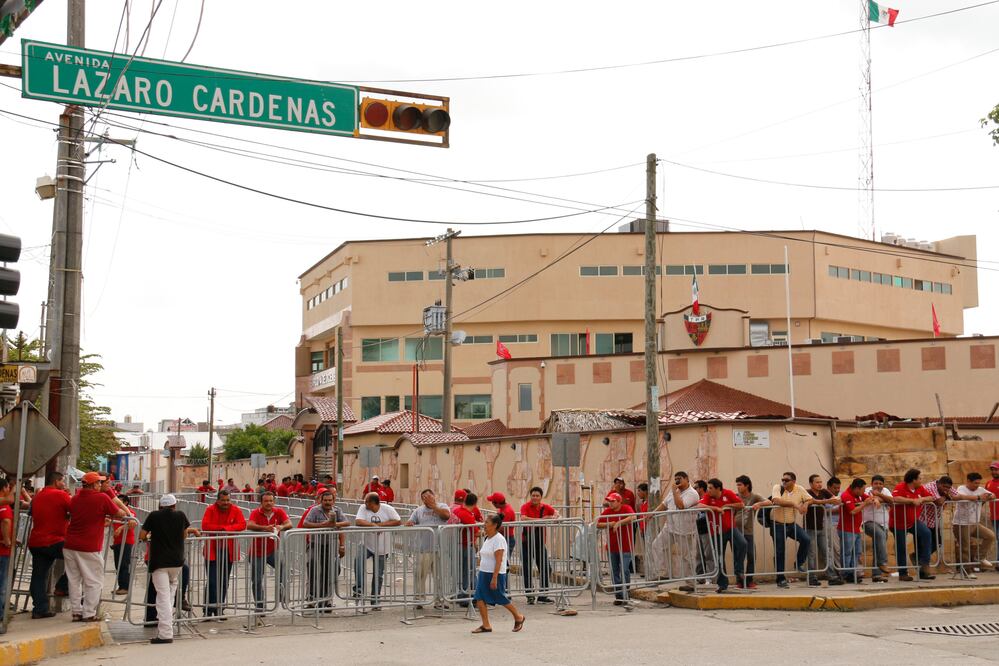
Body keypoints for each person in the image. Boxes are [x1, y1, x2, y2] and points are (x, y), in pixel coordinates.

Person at [65, 471, 129, 621]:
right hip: (89, 545)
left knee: (74, 580)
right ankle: (89, 613)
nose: (101, 485)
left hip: (70, 544)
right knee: (94, 581)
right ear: (94, 484)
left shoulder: (74, 499)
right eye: (99, 483)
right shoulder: (101, 497)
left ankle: (76, 612)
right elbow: (119, 513)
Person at [139, 494, 199, 644]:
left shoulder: (154, 516)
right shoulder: (180, 515)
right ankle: (165, 622)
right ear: (174, 505)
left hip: (159, 562)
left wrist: (150, 539)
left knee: (163, 597)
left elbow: (142, 535)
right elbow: (184, 535)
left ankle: (165, 633)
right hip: (177, 562)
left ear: (161, 505)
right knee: (170, 593)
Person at [756, 471, 813, 588]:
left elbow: (810, 499)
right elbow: (776, 501)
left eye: (786, 480)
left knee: (806, 539)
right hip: (777, 525)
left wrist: (806, 505)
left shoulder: (799, 488)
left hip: (791, 524)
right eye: (783, 480)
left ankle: (798, 562)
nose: (784, 482)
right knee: (780, 551)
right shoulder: (777, 488)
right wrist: (795, 505)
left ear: (793, 481)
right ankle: (780, 578)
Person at [27, 471, 71, 619]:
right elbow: (74, 511)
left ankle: (40, 608)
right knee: (78, 560)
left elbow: (31, 513)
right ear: (57, 481)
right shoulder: (61, 495)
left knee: (38, 576)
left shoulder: (37, 496)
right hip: (55, 540)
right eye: (63, 481)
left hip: (36, 541)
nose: (64, 484)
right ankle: (62, 586)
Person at [471, 514, 525, 634]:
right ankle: (486, 625)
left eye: (487, 522)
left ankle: (518, 616)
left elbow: (499, 560)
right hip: (484, 572)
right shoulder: (487, 538)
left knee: (500, 597)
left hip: (495, 574)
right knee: (479, 598)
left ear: (495, 525)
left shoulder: (499, 539)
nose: (484, 525)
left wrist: (494, 578)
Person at [651, 471, 700, 591]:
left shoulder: (692, 494)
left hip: (685, 530)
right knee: (657, 545)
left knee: (686, 557)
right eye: (676, 479)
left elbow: (681, 506)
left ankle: (690, 584)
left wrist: (674, 492)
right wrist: (652, 514)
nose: (677, 481)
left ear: (687, 479)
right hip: (670, 527)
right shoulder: (674, 492)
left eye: (680, 479)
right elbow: (664, 504)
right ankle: (663, 573)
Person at [201, 489, 246, 617]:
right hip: (212, 550)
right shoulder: (210, 509)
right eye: (223, 500)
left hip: (228, 550)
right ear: (217, 500)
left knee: (224, 581)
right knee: (212, 581)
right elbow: (205, 525)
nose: (226, 502)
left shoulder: (236, 509)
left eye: (228, 500)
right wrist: (222, 529)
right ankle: (208, 609)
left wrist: (226, 529)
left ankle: (220, 607)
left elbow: (242, 524)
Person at [246, 491, 292, 619]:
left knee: (283, 569)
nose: (269, 503)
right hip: (257, 552)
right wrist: (264, 528)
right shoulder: (256, 512)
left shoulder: (279, 512)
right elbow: (249, 524)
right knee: (257, 580)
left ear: (274, 501)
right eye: (266, 501)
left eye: (271, 501)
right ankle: (260, 606)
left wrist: (281, 527)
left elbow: (289, 524)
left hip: (273, 550)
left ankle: (282, 594)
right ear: (261, 502)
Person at [302, 488, 349, 611]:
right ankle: (311, 600)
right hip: (315, 545)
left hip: (331, 545)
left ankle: (327, 600)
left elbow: (346, 523)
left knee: (329, 573)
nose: (328, 502)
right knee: (313, 571)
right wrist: (321, 525)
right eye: (325, 500)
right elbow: (306, 524)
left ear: (333, 501)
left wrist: (334, 525)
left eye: (330, 500)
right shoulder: (314, 510)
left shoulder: (337, 511)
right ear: (321, 501)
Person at [353, 492, 402, 608]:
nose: (364, 503)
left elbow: (398, 521)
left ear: (373, 503)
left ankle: (375, 599)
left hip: (382, 547)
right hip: (366, 544)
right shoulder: (363, 508)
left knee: (378, 574)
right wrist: (373, 525)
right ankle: (358, 589)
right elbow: (358, 521)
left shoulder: (387, 509)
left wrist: (381, 525)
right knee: (358, 561)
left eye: (367, 502)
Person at [698, 479, 745, 593]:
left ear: (718, 488)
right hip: (717, 531)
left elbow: (741, 504)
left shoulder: (727, 493)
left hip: (731, 528)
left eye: (710, 488)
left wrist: (728, 505)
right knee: (719, 557)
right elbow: (699, 505)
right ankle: (722, 584)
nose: (708, 490)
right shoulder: (709, 497)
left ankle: (738, 569)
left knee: (743, 544)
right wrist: (715, 508)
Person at [407, 489, 451, 608]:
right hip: (423, 548)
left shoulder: (442, 506)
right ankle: (419, 600)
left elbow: (446, 516)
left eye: (429, 497)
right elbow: (410, 521)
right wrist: (410, 523)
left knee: (439, 576)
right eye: (424, 498)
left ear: (434, 496)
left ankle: (440, 600)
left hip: (440, 547)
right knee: (420, 574)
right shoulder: (418, 510)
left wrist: (433, 506)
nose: (426, 499)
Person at [890, 468, 936, 581]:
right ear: (913, 479)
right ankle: (902, 573)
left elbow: (931, 497)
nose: (921, 480)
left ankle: (923, 564)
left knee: (926, 533)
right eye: (919, 478)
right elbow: (895, 498)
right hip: (898, 523)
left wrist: (922, 499)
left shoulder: (920, 488)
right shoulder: (901, 486)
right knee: (901, 547)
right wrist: (911, 501)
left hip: (912, 521)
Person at [951, 472, 996, 578]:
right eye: (975, 483)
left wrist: (989, 496)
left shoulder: (980, 490)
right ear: (968, 481)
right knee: (965, 547)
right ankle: (967, 571)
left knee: (990, 536)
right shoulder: (961, 488)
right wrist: (978, 498)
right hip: (961, 524)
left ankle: (979, 558)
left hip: (974, 523)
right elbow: (958, 497)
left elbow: (993, 495)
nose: (977, 485)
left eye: (978, 483)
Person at [597, 492, 638, 605]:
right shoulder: (608, 512)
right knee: (614, 571)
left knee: (624, 570)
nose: (610, 503)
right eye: (609, 501)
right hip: (612, 546)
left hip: (625, 545)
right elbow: (597, 523)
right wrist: (610, 524)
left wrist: (620, 522)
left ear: (619, 501)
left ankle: (626, 594)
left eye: (612, 501)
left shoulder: (626, 508)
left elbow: (633, 516)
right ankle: (619, 595)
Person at [520, 486, 557, 604]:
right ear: (530, 496)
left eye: (537, 496)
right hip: (527, 542)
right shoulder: (525, 506)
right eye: (533, 495)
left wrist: (550, 517)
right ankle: (530, 595)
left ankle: (543, 595)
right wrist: (541, 520)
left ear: (541, 497)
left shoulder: (545, 507)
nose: (535, 498)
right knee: (527, 569)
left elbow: (556, 515)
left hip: (540, 542)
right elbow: (523, 518)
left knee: (546, 568)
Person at [805, 473, 843, 587]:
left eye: (821, 482)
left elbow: (835, 499)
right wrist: (826, 502)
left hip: (822, 526)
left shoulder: (824, 492)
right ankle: (811, 577)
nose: (819, 484)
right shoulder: (807, 492)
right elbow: (811, 501)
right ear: (811, 483)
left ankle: (832, 576)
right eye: (817, 482)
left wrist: (832, 500)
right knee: (811, 553)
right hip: (810, 527)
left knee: (826, 551)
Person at [838, 479, 872, 583]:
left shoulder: (859, 495)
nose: (864, 492)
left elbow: (870, 498)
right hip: (847, 529)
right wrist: (865, 504)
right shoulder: (846, 495)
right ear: (857, 489)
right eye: (862, 490)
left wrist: (875, 499)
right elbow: (852, 511)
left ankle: (852, 573)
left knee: (857, 552)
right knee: (847, 552)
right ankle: (845, 573)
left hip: (856, 529)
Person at [734, 475, 764, 589]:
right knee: (738, 556)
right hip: (736, 530)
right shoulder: (735, 496)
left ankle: (749, 580)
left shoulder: (754, 496)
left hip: (748, 531)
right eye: (737, 484)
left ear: (747, 485)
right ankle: (740, 581)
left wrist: (759, 504)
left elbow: (769, 502)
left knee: (751, 555)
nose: (738, 487)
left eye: (740, 484)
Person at [920, 475, 956, 569]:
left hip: (934, 519)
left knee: (937, 542)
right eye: (944, 487)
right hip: (922, 518)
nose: (946, 489)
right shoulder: (931, 487)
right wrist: (946, 495)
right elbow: (939, 502)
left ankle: (919, 558)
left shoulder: (946, 488)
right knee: (925, 542)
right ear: (939, 484)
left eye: (948, 488)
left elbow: (956, 495)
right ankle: (923, 567)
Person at [451, 492, 481, 607]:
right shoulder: (466, 514)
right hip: (464, 546)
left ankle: (462, 596)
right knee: (469, 571)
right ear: (475, 503)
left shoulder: (458, 511)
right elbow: (476, 531)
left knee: (462, 572)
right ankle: (468, 597)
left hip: (460, 545)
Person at [862, 475, 892, 582]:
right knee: (880, 535)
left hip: (884, 524)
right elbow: (868, 498)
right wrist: (876, 498)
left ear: (883, 485)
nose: (878, 485)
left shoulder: (886, 490)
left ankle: (876, 575)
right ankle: (883, 563)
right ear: (871, 484)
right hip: (868, 522)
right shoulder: (867, 490)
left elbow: (892, 501)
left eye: (880, 483)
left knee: (878, 547)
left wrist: (879, 496)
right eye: (876, 483)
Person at [111, 495, 138, 596]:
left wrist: (121, 528)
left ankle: (125, 587)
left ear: (125, 503)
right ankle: (121, 586)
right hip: (117, 541)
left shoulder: (129, 512)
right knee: (118, 565)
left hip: (126, 541)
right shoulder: (115, 512)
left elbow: (133, 522)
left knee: (124, 564)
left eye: (120, 501)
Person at [693, 480, 716, 585]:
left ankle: (710, 577)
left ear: (701, 488)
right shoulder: (698, 499)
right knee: (699, 554)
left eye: (696, 487)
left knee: (708, 554)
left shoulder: (707, 498)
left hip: (707, 529)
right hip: (699, 528)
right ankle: (699, 577)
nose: (694, 489)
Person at [0, 478, 12, 621]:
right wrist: (7, 539)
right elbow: (6, 521)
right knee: (2, 586)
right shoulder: (4, 505)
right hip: (2, 551)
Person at [987, 462, 999, 564]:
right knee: (997, 539)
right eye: (992, 469)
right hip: (994, 516)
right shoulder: (988, 483)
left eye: (996, 469)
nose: (994, 472)